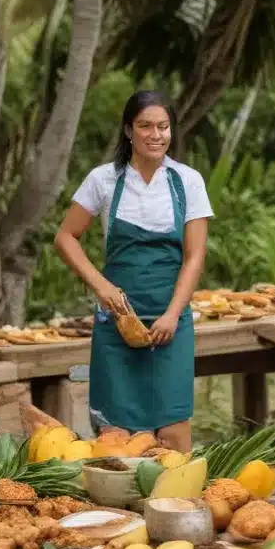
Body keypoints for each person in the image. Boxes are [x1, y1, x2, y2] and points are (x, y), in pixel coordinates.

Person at [54, 91, 213, 452]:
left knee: (173, 434)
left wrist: (173, 315)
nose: (156, 135)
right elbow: (65, 238)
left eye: (163, 126)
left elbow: (194, 256)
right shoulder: (104, 179)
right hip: (116, 322)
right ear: (129, 130)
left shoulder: (188, 181)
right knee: (116, 440)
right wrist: (102, 287)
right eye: (145, 126)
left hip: (170, 323)